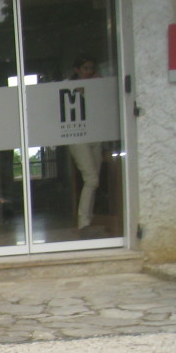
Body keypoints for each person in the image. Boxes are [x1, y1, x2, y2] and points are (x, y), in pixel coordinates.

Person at [67, 55, 101, 230]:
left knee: (94, 179)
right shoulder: (68, 87)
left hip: (95, 134)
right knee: (91, 179)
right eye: (85, 68)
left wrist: (96, 87)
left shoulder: (98, 86)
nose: (89, 71)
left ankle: (88, 219)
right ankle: (83, 222)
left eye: (91, 68)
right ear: (77, 70)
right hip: (77, 136)